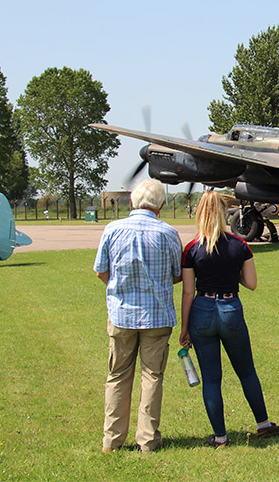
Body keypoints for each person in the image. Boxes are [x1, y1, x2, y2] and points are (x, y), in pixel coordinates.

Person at [179, 190, 279, 448]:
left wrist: (184, 329)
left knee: (212, 378)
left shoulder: (192, 248)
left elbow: (188, 291)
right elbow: (251, 284)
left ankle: (220, 437)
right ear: (224, 212)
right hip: (230, 308)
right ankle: (262, 424)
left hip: (202, 309)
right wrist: (232, 273)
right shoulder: (240, 245)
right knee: (246, 370)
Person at [93, 179, 183, 453]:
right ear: (162, 205)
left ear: (132, 201)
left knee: (118, 375)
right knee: (152, 376)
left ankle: (112, 440)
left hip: (121, 314)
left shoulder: (113, 229)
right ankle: (147, 439)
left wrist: (119, 288)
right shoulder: (167, 233)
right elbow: (177, 274)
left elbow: (101, 270)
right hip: (156, 315)